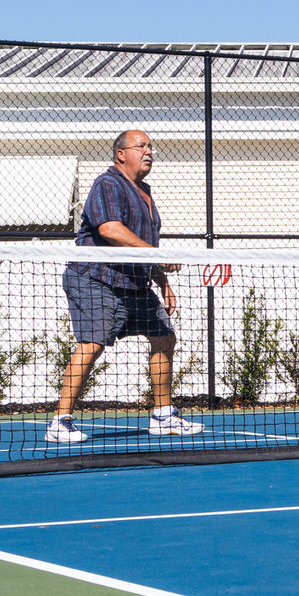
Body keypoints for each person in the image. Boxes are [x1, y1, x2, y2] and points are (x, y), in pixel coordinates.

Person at [46, 129, 205, 443]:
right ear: (121, 154)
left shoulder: (144, 191)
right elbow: (111, 229)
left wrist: (163, 282)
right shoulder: (107, 184)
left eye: (150, 147)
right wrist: (159, 257)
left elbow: (142, 244)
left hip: (134, 282)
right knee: (92, 344)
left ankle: (163, 416)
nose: (148, 152)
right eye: (141, 146)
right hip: (96, 278)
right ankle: (60, 422)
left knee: (164, 336)